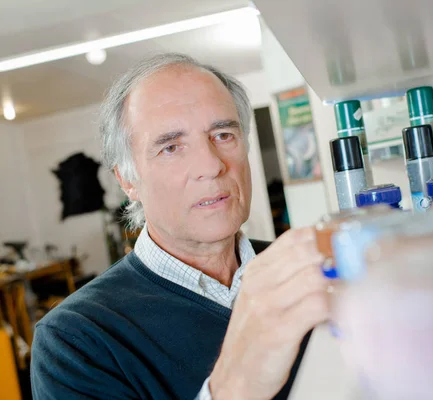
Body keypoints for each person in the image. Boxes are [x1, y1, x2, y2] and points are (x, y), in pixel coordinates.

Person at [30, 53, 330, 400]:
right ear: (128, 180)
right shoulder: (75, 340)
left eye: (223, 134)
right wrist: (235, 388)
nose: (211, 165)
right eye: (171, 147)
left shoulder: (306, 269)